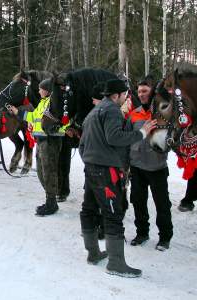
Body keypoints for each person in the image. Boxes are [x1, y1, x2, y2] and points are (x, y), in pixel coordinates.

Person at [79, 79, 157, 278]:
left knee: (88, 209)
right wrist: (141, 132)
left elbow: (82, 144)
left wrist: (91, 161)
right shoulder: (112, 110)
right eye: (125, 95)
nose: (127, 98)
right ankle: (115, 263)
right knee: (113, 213)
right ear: (117, 95)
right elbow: (114, 137)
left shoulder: (94, 111)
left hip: (91, 168)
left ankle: (93, 253)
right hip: (104, 172)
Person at [8, 78, 68, 216]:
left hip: (50, 141)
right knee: (42, 172)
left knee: (49, 171)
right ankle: (50, 198)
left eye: (41, 88)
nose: (39, 90)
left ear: (46, 90)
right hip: (41, 141)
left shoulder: (54, 103)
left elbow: (63, 120)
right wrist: (18, 112)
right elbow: (33, 116)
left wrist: (52, 130)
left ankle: (51, 202)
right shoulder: (43, 103)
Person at [127, 79, 173, 251]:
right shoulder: (134, 113)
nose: (141, 94)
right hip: (137, 166)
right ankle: (142, 233)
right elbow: (127, 137)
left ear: (153, 92)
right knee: (138, 201)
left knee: (162, 204)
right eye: (139, 91)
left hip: (157, 167)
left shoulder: (163, 113)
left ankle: (165, 237)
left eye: (145, 91)